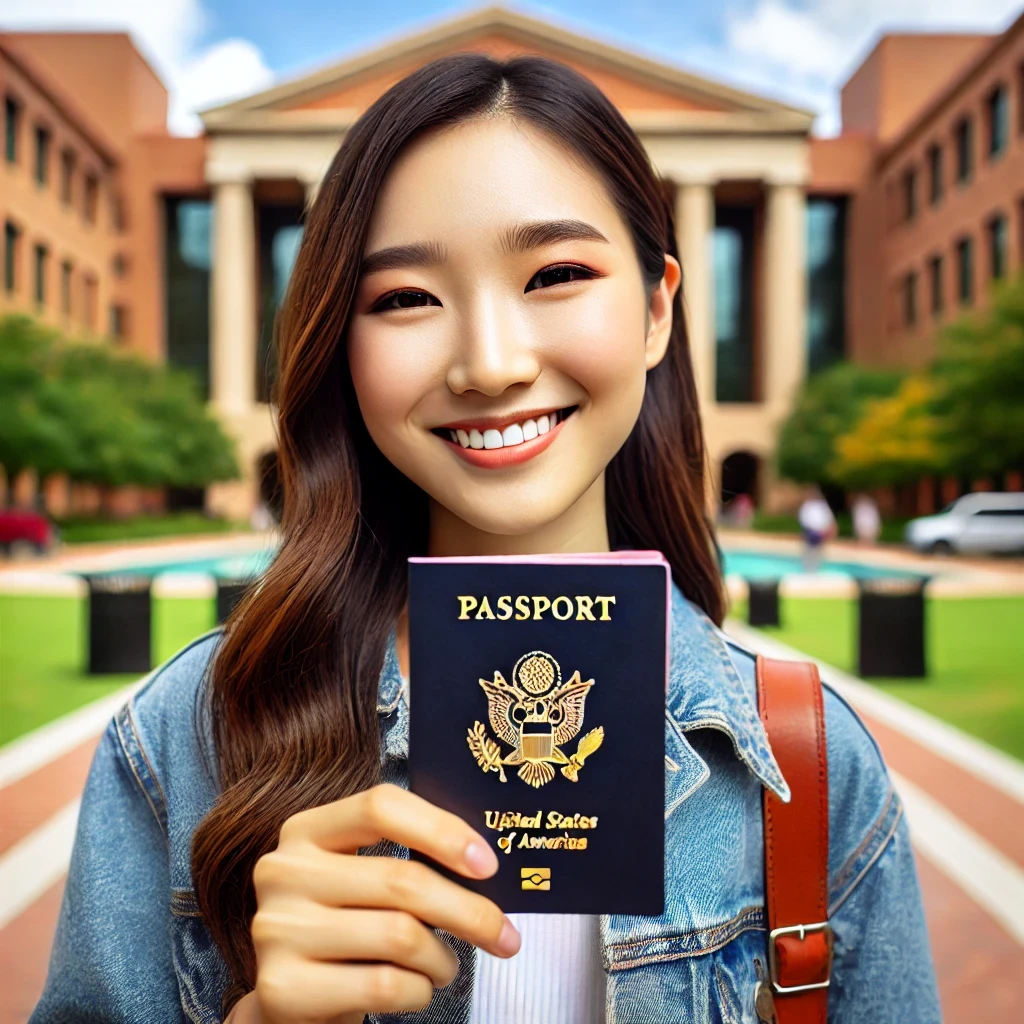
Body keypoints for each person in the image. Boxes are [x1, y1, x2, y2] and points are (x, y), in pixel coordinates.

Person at [32, 55, 940, 1024]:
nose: (490, 364)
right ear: (342, 340)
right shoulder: (183, 739)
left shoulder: (806, 767)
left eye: (555, 274)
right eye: (405, 297)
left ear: (657, 308)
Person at [798, 487, 837, 572]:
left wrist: (829, 531)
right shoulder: (807, 505)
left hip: (821, 533)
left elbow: (829, 520)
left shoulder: (823, 506)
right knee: (808, 552)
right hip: (810, 532)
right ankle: (808, 571)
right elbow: (804, 520)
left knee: (818, 553)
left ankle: (815, 571)